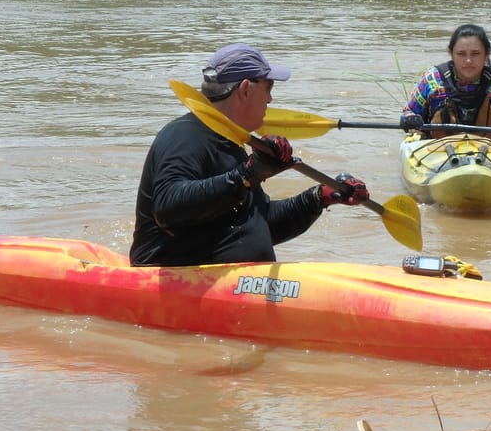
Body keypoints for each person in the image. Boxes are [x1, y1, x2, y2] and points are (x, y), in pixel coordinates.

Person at [130, 43, 370, 267]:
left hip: (234, 282)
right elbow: (167, 209)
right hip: (173, 279)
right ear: (245, 89)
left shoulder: (231, 143)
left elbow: (258, 223)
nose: (270, 99)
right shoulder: (184, 136)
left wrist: (319, 197)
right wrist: (246, 175)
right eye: (268, 87)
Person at [400, 23, 491, 147]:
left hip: (489, 155)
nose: (468, 61)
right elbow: (408, 112)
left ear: (486, 54)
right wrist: (411, 119)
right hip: (436, 153)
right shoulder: (431, 80)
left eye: (475, 54)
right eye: (461, 54)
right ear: (451, 54)